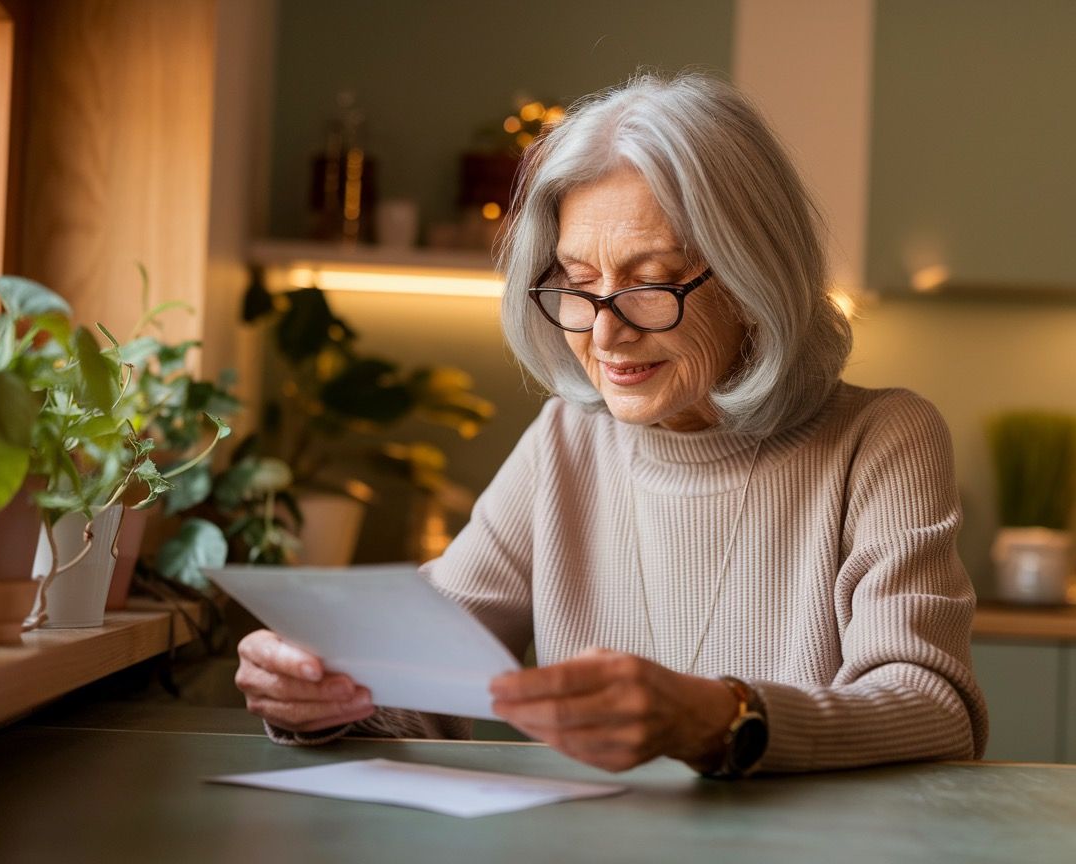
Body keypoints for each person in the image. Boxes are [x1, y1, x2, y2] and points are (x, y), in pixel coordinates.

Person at [236, 72, 988, 777]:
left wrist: (719, 719)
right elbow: (420, 685)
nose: (604, 335)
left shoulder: (882, 439)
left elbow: (934, 706)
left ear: (754, 278)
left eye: (652, 285)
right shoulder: (567, 440)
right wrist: (317, 692)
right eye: (578, 284)